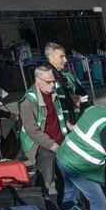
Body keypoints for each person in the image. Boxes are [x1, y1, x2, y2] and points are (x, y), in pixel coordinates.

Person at [20, 64, 66, 201]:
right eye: (48, 82)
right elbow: (32, 129)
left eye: (53, 81)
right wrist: (52, 145)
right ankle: (40, 207)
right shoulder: (28, 101)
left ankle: (64, 206)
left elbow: (57, 117)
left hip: (60, 141)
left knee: (63, 177)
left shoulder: (53, 93)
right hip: (44, 146)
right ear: (38, 80)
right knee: (45, 180)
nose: (52, 85)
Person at [45, 43, 85, 127]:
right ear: (51, 58)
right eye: (61, 57)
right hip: (60, 125)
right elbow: (48, 105)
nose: (65, 60)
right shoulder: (46, 77)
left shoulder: (59, 75)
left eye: (65, 57)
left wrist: (72, 98)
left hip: (69, 120)